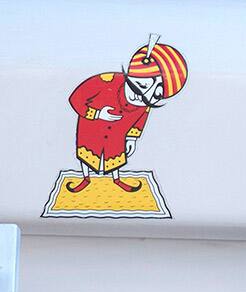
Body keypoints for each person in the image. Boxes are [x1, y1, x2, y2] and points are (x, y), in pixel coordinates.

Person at [66, 35, 187, 193]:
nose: (142, 96)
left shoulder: (144, 105)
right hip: (91, 128)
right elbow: (76, 98)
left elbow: (140, 120)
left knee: (115, 155)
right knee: (87, 153)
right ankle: (86, 178)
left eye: (155, 95)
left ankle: (116, 179)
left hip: (118, 134)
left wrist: (132, 138)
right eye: (142, 85)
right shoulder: (106, 81)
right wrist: (96, 114)